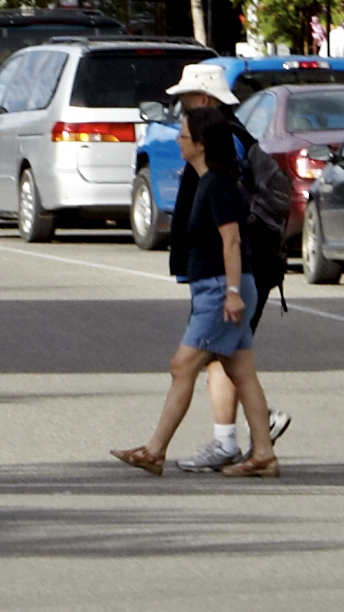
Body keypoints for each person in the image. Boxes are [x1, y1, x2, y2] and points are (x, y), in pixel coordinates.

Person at [115, 89, 280, 479]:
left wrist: (234, 293)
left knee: (182, 365)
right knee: (241, 372)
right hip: (220, 287)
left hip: (221, 289)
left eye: (184, 136)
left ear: (201, 145)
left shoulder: (219, 186)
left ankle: (155, 450)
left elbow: (232, 240)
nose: (178, 140)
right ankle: (264, 454)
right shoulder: (210, 181)